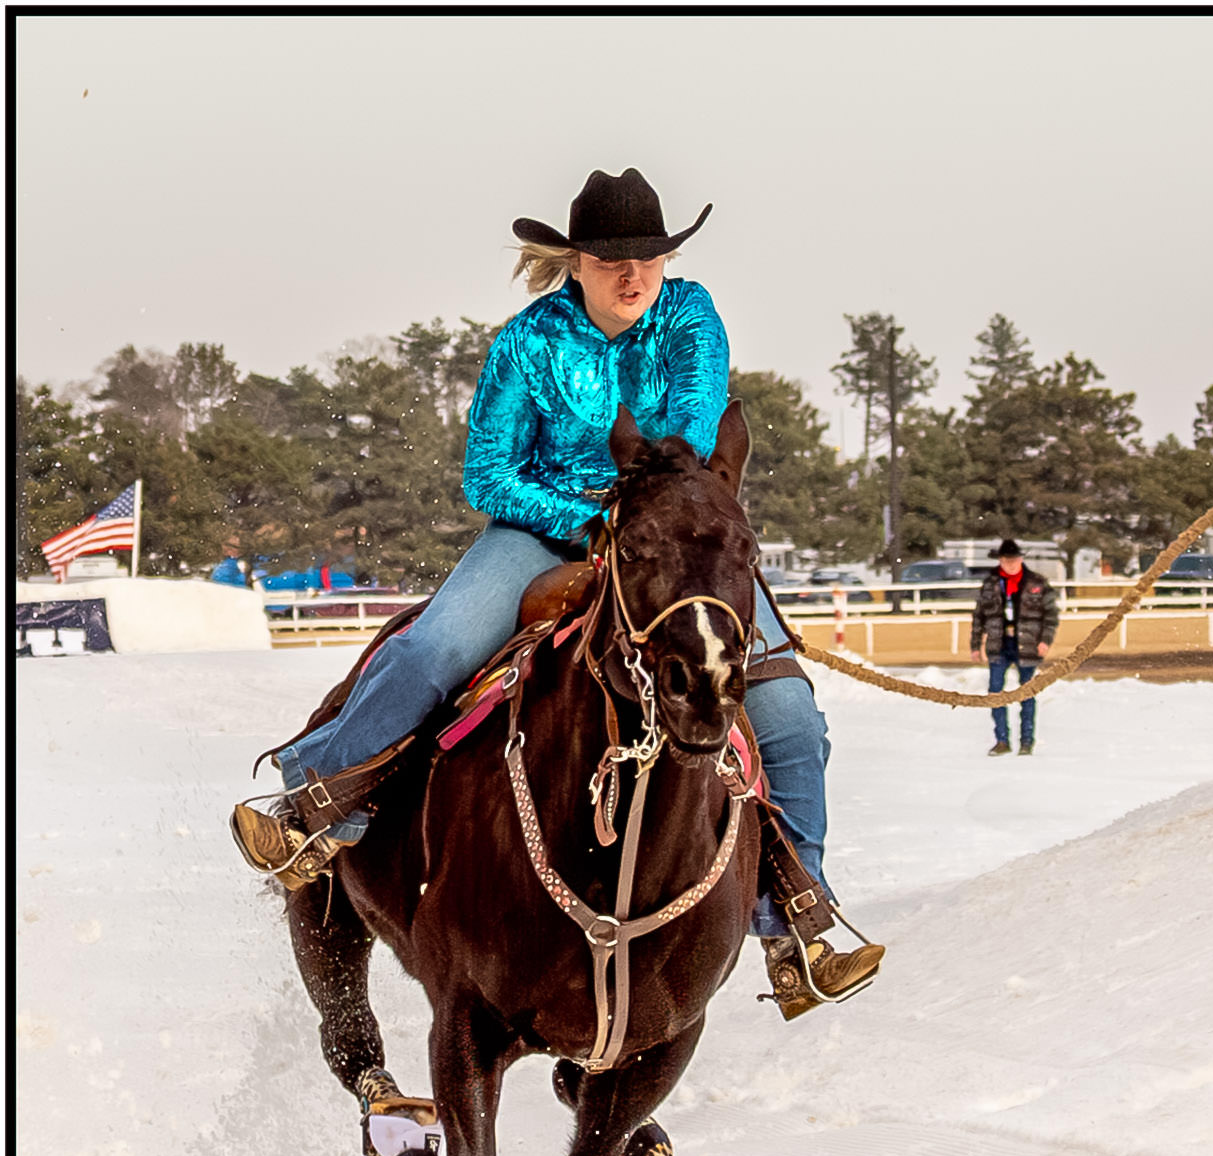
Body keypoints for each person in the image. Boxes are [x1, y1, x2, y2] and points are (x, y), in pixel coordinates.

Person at [231, 167, 882, 1017]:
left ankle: (797, 916)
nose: (633, 274)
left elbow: (685, 437)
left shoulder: (692, 318)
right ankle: (318, 795)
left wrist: (640, 524)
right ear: (574, 260)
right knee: (435, 648)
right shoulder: (527, 340)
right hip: (539, 535)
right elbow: (488, 475)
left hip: (673, 542)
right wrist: (588, 520)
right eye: (612, 258)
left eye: (648, 256)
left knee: (788, 715)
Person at [968, 539, 1058, 756]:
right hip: (999, 645)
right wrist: (975, 644)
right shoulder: (990, 584)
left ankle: (1027, 741)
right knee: (995, 693)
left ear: (1021, 559)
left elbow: (1051, 616)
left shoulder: (1037, 582)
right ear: (1000, 560)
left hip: (1027, 646)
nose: (1011, 563)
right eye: (1007, 560)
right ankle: (1002, 740)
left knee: (1027, 693)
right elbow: (979, 616)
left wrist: (1044, 640)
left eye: (1014, 559)